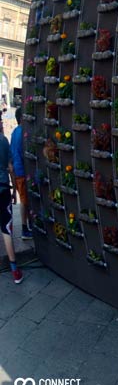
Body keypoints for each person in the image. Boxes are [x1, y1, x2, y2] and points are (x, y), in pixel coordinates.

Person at [0, 129, 20, 284]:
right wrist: (14, 189)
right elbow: (10, 167)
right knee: (6, 229)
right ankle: (15, 271)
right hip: (3, 189)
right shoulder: (3, 140)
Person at [9, 108, 29, 239]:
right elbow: (23, 153)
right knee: (24, 201)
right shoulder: (22, 132)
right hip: (22, 170)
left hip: (16, 170)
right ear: (22, 118)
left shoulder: (14, 132)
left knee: (24, 199)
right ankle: (24, 229)